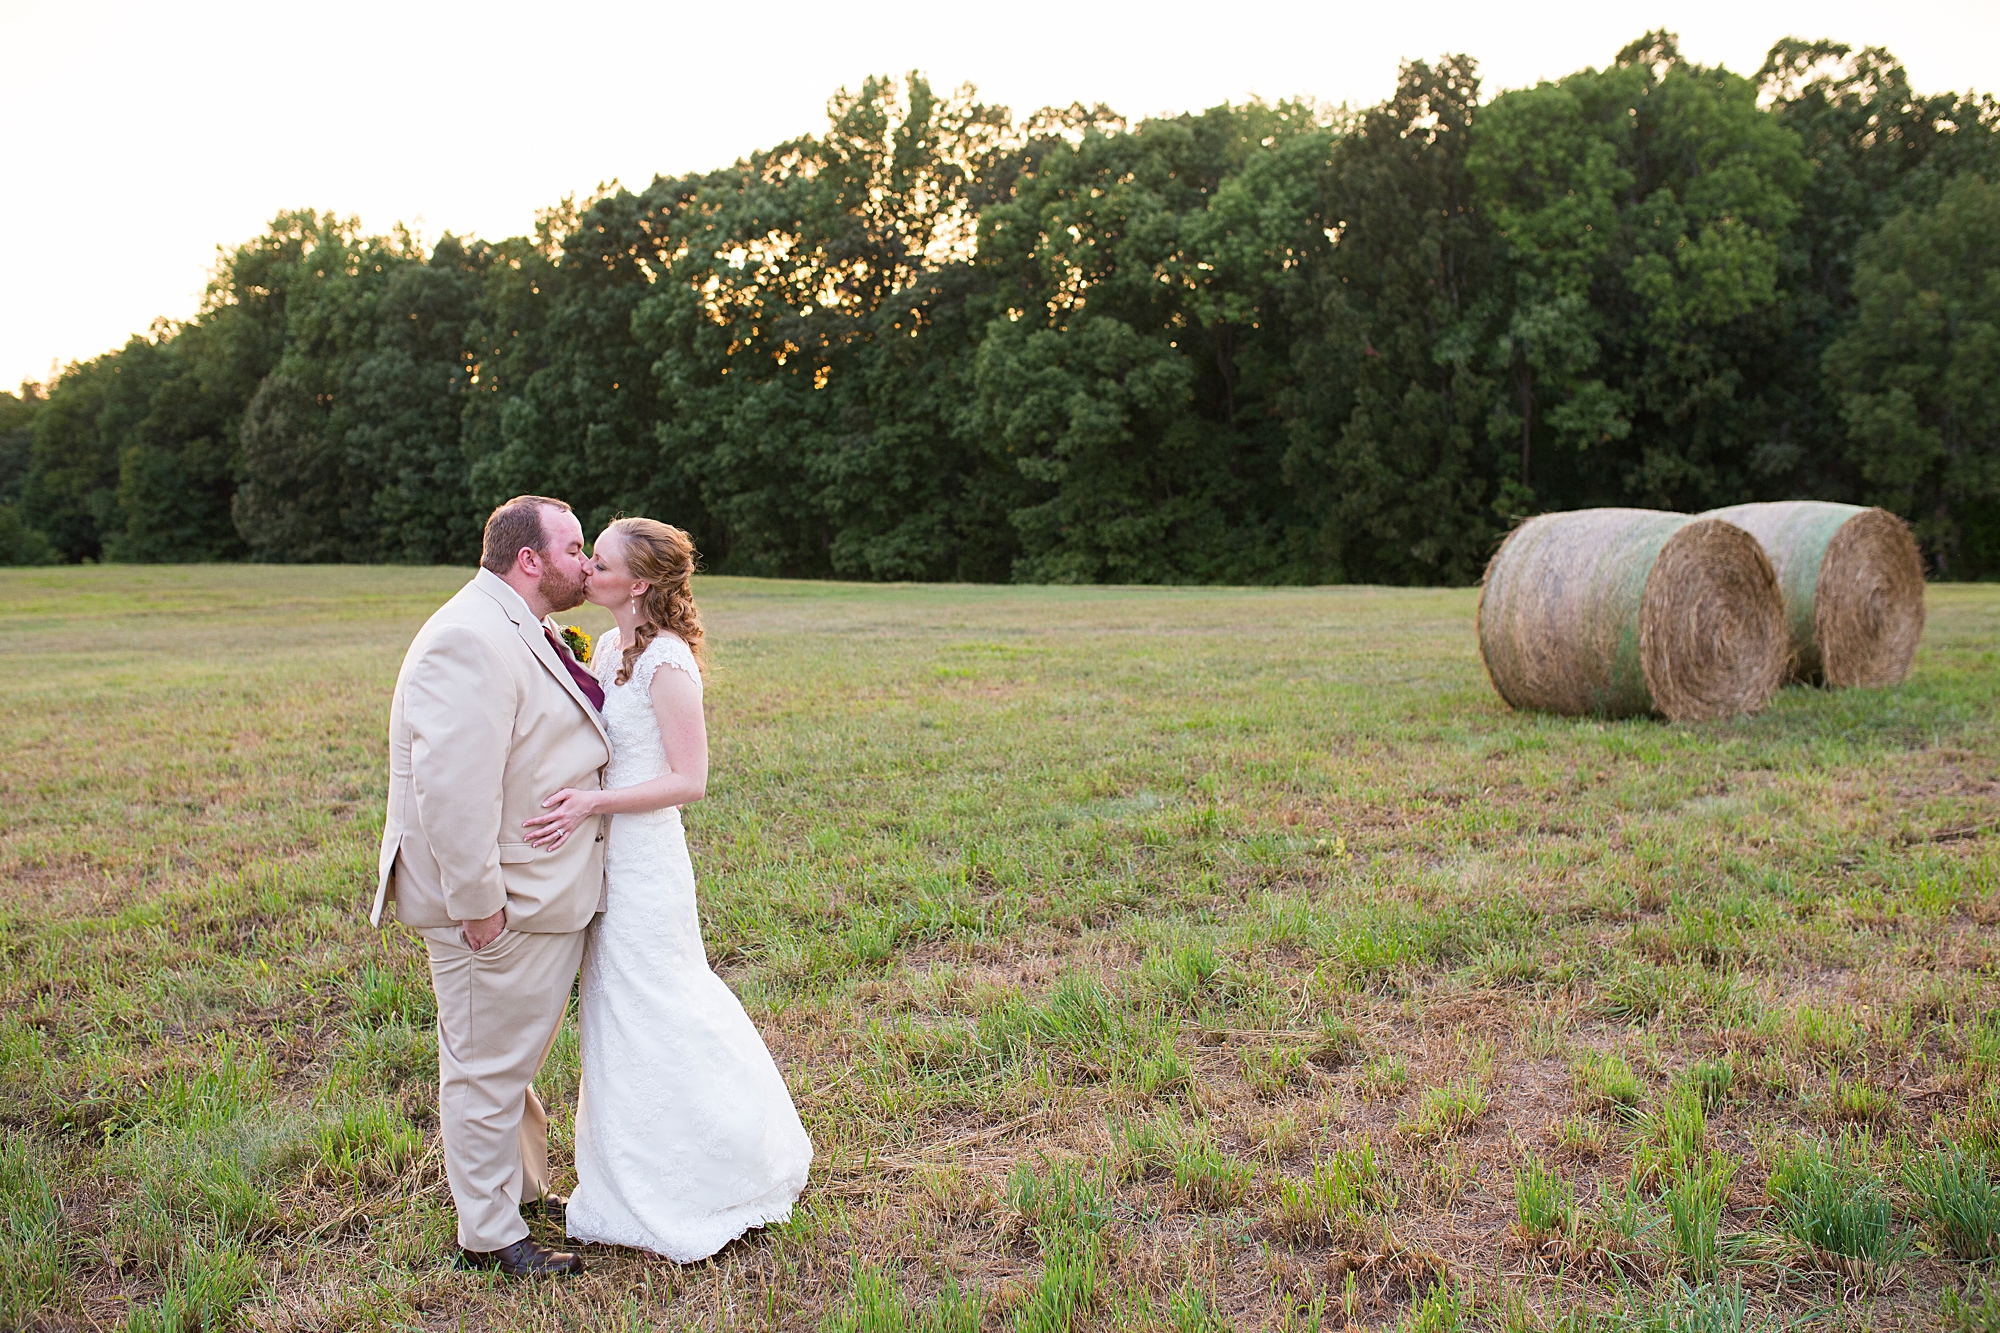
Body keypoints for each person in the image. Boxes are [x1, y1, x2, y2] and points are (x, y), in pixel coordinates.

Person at [524, 516, 812, 1261]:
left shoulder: (669, 664)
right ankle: (623, 1179)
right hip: (605, 856)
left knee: (659, 999)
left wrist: (593, 803)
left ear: (639, 582)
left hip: (646, 860)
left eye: (601, 560)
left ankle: (714, 1168)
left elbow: (690, 779)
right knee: (615, 1011)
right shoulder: (615, 645)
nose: (585, 567)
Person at [372, 495, 606, 1277]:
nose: (587, 563)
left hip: (537, 895)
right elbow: (454, 787)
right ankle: (490, 1235)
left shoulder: (514, 623)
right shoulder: (469, 638)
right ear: (530, 559)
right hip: (500, 907)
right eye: (575, 549)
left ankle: (520, 1189)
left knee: (510, 1058)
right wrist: (479, 905)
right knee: (482, 1066)